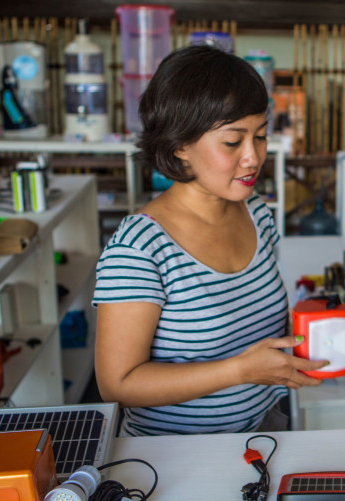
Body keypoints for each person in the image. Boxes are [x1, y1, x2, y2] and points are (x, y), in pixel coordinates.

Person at [92, 46, 326, 436]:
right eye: (233, 142)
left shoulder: (257, 214)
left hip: (264, 431)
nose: (253, 157)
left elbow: (252, 322)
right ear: (179, 145)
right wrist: (238, 371)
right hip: (173, 458)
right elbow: (117, 384)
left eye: (262, 136)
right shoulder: (140, 248)